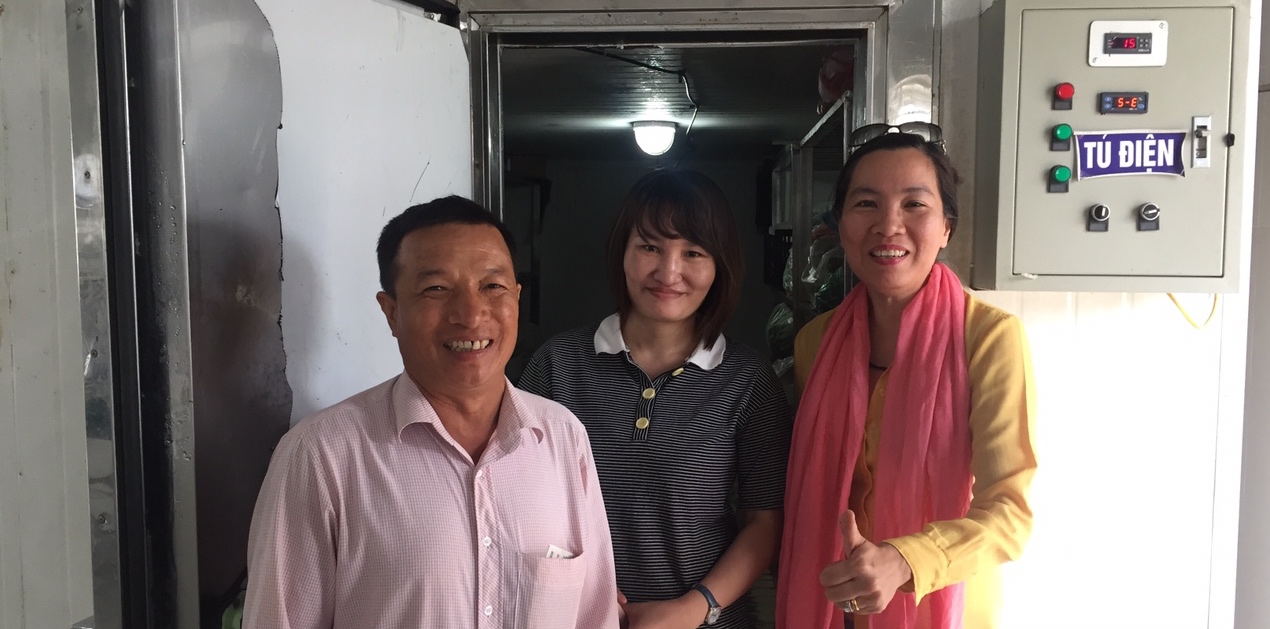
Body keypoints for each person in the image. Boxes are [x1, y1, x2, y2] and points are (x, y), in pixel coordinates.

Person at [243, 196, 621, 629]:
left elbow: (594, 616)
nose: (471, 315)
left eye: (492, 286)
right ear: (391, 312)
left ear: (516, 298)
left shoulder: (561, 436)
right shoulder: (321, 455)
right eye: (436, 289)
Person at [776, 129, 1037, 629]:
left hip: (940, 606)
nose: (889, 225)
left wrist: (904, 561)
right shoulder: (816, 343)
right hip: (832, 603)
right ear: (841, 225)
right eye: (866, 204)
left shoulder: (988, 339)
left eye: (914, 204)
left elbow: (1009, 513)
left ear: (946, 228)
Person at [518, 170, 792, 629]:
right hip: (577, 617)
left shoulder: (747, 380)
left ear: (719, 266)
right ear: (621, 253)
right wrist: (583, 588)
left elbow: (764, 520)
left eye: (693, 253)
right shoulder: (557, 365)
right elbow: (519, 497)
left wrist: (693, 608)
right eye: (649, 247)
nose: (668, 272)